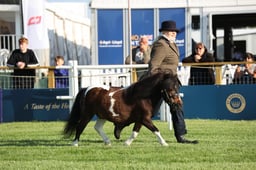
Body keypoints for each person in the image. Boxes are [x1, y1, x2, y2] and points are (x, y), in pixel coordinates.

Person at [147, 20, 198, 144]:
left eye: (175, 31)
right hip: (163, 83)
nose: (174, 33)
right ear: (164, 32)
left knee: (176, 107)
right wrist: (161, 81)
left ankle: (180, 136)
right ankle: (122, 124)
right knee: (150, 111)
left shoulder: (171, 44)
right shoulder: (161, 45)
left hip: (171, 82)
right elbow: (153, 66)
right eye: (171, 31)